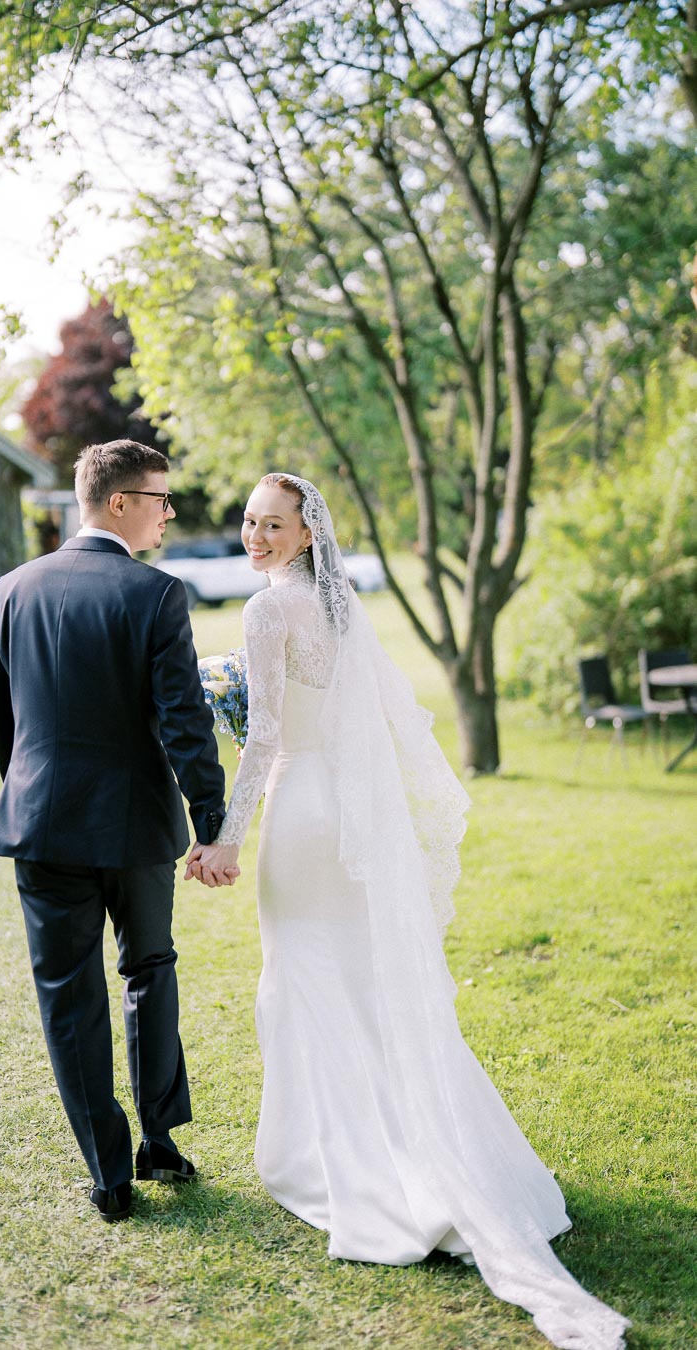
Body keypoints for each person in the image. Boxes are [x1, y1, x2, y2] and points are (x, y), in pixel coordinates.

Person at [190, 474, 629, 1350]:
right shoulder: (340, 608)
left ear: (307, 534)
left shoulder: (268, 612)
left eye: (272, 525)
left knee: (305, 981)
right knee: (354, 983)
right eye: (248, 522)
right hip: (354, 815)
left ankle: (335, 1163)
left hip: (305, 813)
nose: (255, 537)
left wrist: (225, 836)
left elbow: (270, 738)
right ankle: (414, 1148)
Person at [0, 439, 236, 1224]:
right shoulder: (155, 594)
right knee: (150, 969)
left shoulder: (11, 588)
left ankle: (108, 1173)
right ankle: (158, 1139)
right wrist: (211, 821)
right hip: (133, 828)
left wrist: (32, 797)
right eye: (161, 498)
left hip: (40, 827)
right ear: (119, 502)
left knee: (69, 998)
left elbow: (2, 723)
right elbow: (184, 724)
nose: (169, 512)